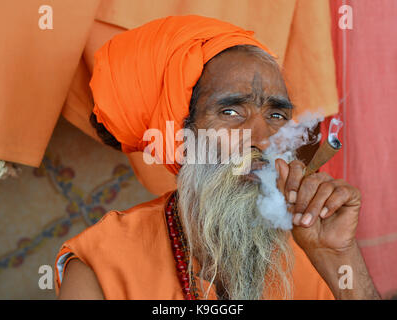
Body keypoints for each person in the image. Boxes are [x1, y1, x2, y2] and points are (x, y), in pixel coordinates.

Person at [55, 15, 380, 300]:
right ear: (182, 133)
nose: (264, 139)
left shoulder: (311, 245)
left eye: (277, 115)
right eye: (230, 111)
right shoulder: (102, 265)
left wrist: (339, 257)